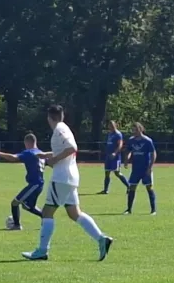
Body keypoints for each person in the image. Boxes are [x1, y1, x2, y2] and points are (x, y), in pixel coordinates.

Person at [21, 105, 113, 261]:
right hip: (70, 177)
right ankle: (101, 239)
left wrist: (53, 160)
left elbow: (72, 148)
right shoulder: (64, 128)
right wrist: (46, 155)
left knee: (47, 212)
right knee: (74, 213)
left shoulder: (59, 129)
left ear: (49, 117)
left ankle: (42, 251)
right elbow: (66, 149)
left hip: (61, 177)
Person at [0, 133, 45, 230]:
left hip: (34, 184)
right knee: (27, 206)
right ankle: (45, 218)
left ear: (26, 142)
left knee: (15, 202)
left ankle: (17, 225)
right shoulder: (40, 152)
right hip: (38, 184)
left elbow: (13, 157)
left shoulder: (29, 152)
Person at [123, 122, 157, 215]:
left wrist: (150, 167)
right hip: (136, 169)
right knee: (132, 187)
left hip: (145, 168)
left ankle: (153, 210)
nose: (134, 131)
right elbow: (129, 151)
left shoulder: (147, 140)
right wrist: (127, 159)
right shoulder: (131, 140)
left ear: (140, 129)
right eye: (133, 129)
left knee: (149, 187)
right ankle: (129, 209)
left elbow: (153, 153)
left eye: (136, 129)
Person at [99, 120, 129, 194]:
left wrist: (115, 153)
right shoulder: (110, 134)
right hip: (108, 156)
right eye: (109, 125)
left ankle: (129, 186)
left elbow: (120, 145)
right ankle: (106, 190)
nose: (111, 127)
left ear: (115, 125)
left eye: (112, 125)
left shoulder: (118, 134)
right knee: (107, 172)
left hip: (115, 157)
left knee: (117, 173)